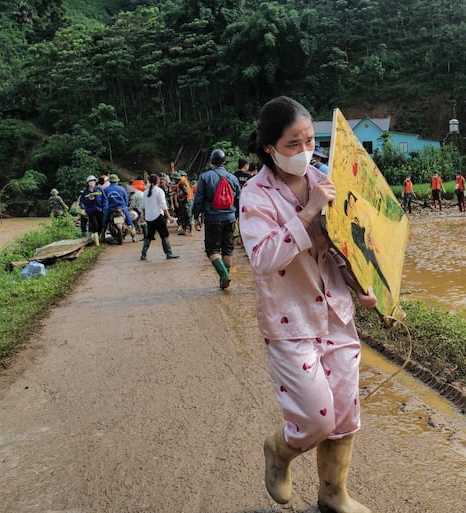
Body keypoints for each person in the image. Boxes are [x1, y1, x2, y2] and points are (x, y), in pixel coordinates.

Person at [239, 95, 377, 513]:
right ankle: (279, 451)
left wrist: (363, 283)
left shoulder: (327, 179)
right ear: (269, 148)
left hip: (336, 312)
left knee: (345, 413)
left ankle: (334, 494)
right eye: (291, 145)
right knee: (317, 418)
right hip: (290, 320)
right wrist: (306, 214)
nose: (304, 152)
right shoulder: (255, 196)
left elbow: (347, 243)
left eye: (308, 141)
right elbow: (262, 257)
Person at [191, 149, 241, 289]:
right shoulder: (233, 178)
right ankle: (223, 280)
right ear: (224, 162)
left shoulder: (205, 177)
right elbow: (238, 199)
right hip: (230, 218)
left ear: (211, 162)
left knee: (212, 250)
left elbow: (199, 199)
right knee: (228, 249)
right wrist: (237, 217)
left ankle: (224, 275)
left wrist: (196, 217)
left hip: (213, 219)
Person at [140, 173, 178, 260]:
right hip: (158, 216)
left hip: (149, 218)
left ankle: (143, 254)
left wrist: (145, 216)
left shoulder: (145, 192)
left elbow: (143, 206)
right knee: (164, 235)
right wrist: (169, 217)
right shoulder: (159, 191)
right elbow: (163, 205)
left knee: (149, 236)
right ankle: (169, 253)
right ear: (158, 181)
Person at [101, 173, 136, 241]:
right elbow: (126, 199)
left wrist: (105, 208)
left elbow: (104, 200)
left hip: (110, 208)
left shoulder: (106, 190)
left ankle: (102, 235)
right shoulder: (122, 189)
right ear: (117, 181)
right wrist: (125, 205)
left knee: (105, 221)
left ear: (109, 181)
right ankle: (133, 235)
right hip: (122, 207)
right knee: (129, 221)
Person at [78, 175, 104, 242]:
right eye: (90, 181)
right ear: (88, 183)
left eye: (93, 181)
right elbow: (82, 201)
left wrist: (104, 208)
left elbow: (104, 199)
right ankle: (96, 239)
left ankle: (99, 235)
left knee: (100, 223)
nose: (92, 182)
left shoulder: (99, 189)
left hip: (100, 209)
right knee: (94, 225)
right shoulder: (85, 192)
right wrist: (89, 199)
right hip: (90, 210)